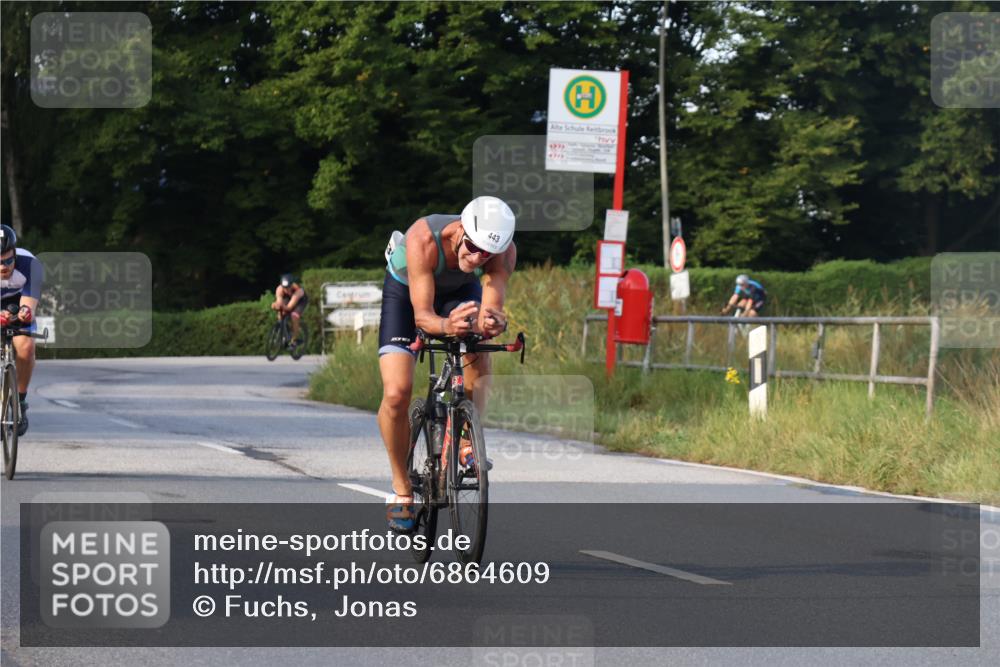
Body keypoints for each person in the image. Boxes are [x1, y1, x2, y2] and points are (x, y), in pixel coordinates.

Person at [378, 196, 516, 533]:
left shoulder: (503, 251)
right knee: (397, 393)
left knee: (478, 348)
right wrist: (445, 326)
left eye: (487, 254)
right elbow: (423, 316)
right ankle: (401, 490)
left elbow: (492, 301)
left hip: (458, 291)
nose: (478, 257)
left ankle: (466, 438)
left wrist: (493, 320)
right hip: (407, 292)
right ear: (460, 232)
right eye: (472, 246)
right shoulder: (423, 238)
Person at [0, 224, 43, 435]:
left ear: (15, 253)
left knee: (26, 347)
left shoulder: (30, 264)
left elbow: (28, 307)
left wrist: (23, 313)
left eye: (8, 260)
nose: (4, 267)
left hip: (17, 303)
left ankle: (21, 402)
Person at [271, 273, 307, 346]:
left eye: (288, 287)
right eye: (284, 288)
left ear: (291, 285)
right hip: (288, 298)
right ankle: (285, 334)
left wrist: (281, 306)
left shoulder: (298, 291)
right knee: (280, 314)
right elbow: (279, 302)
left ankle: (294, 339)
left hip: (300, 301)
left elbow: (289, 307)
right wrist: (276, 306)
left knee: (294, 316)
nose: (286, 289)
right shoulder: (279, 289)